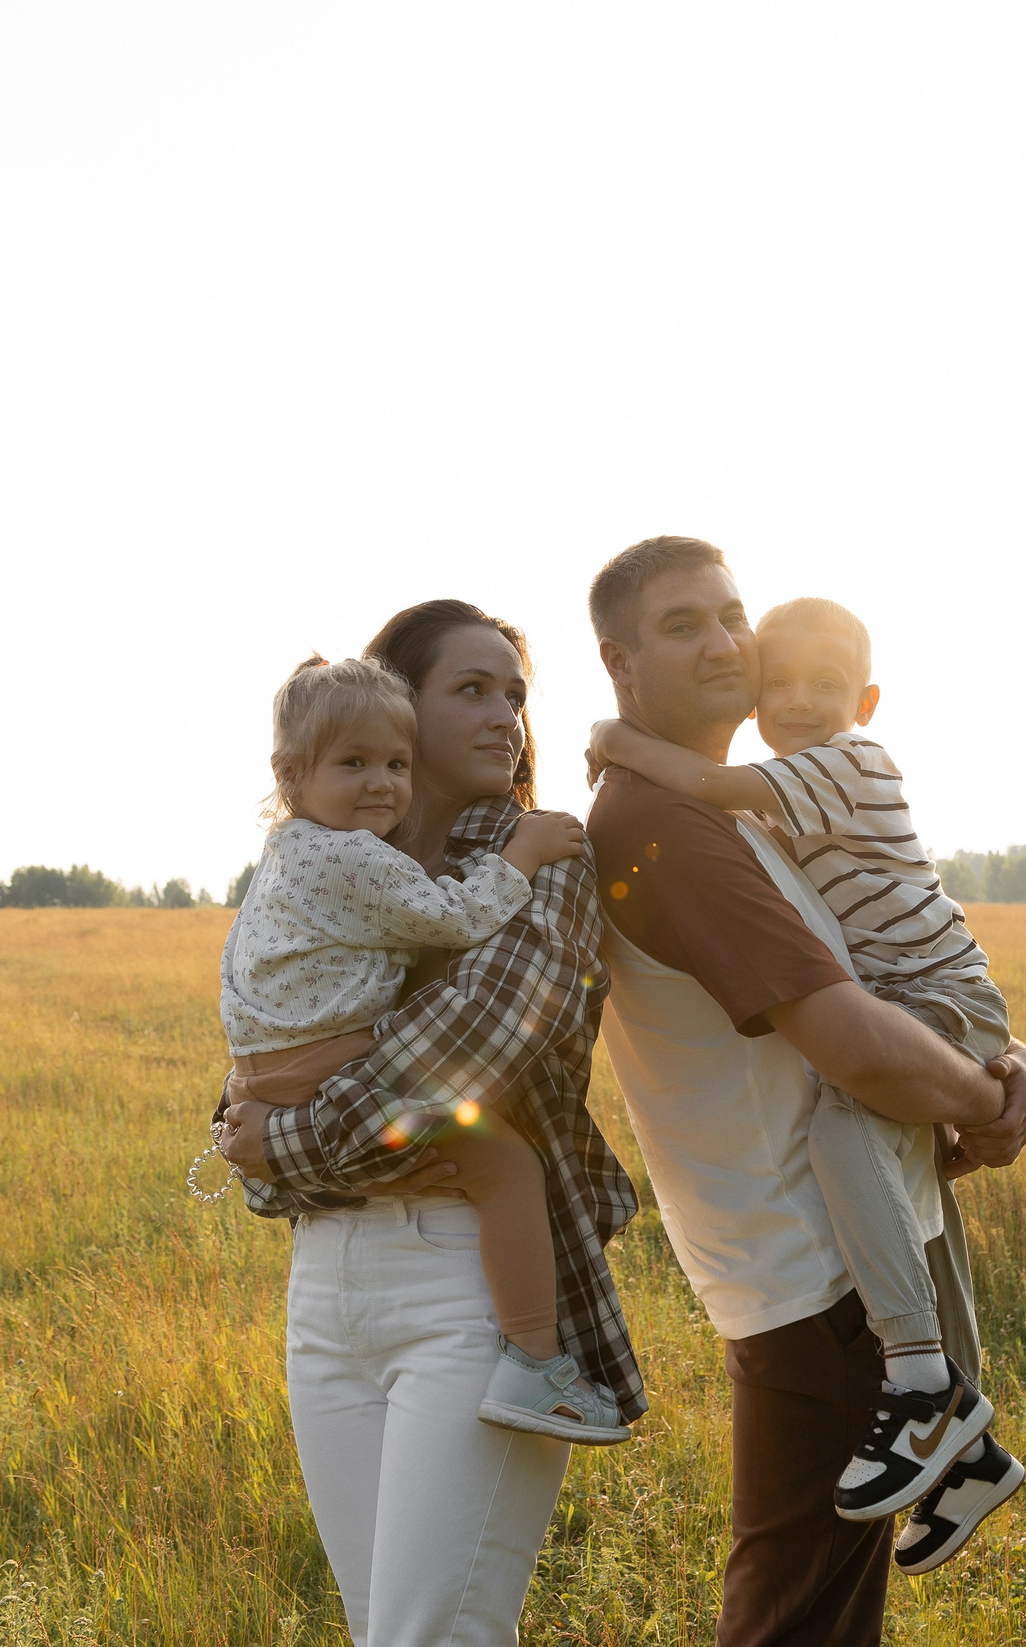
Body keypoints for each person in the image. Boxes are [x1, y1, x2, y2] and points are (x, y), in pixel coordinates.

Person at [582, 538, 1026, 1645]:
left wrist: (1002, 1056)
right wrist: (987, 1103)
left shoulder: (747, 812)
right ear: (618, 661)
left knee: (816, 1611)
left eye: (732, 614)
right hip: (813, 1284)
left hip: (848, 1264)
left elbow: (894, 969)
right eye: (683, 624)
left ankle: (959, 1443)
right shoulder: (661, 827)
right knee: (794, 1618)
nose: (726, 642)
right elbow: (857, 1050)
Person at [215, 600, 644, 1647]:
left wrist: (278, 1143)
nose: (507, 716)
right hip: (326, 1290)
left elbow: (461, 1050)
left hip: (471, 1284)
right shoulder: (322, 866)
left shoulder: (542, 858)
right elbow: (258, 1052)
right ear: (398, 705)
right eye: (472, 690)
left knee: (432, 1637)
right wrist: (262, 1123)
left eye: (515, 694)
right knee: (383, 1633)